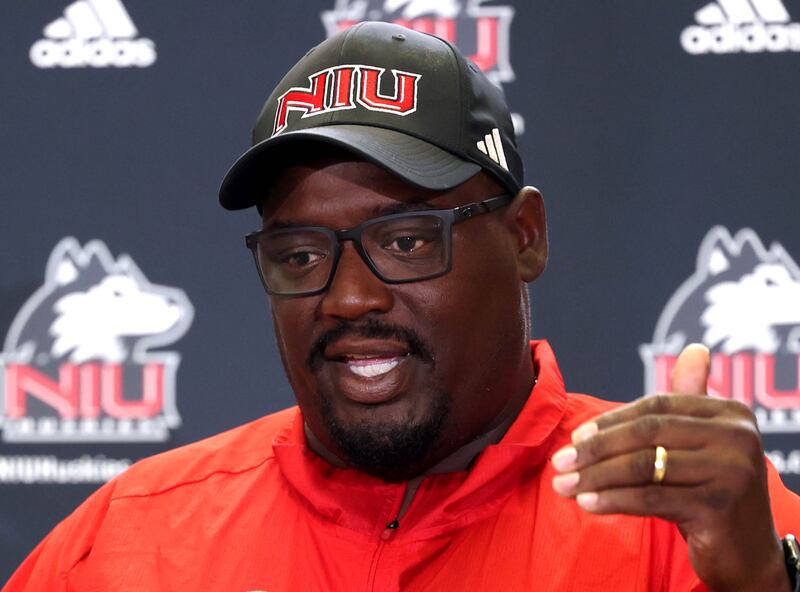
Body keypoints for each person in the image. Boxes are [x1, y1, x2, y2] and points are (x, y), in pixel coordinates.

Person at [5, 21, 800, 592]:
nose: (349, 298)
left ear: (525, 236)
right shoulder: (128, 541)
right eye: (302, 255)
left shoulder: (689, 521)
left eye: (409, 241)